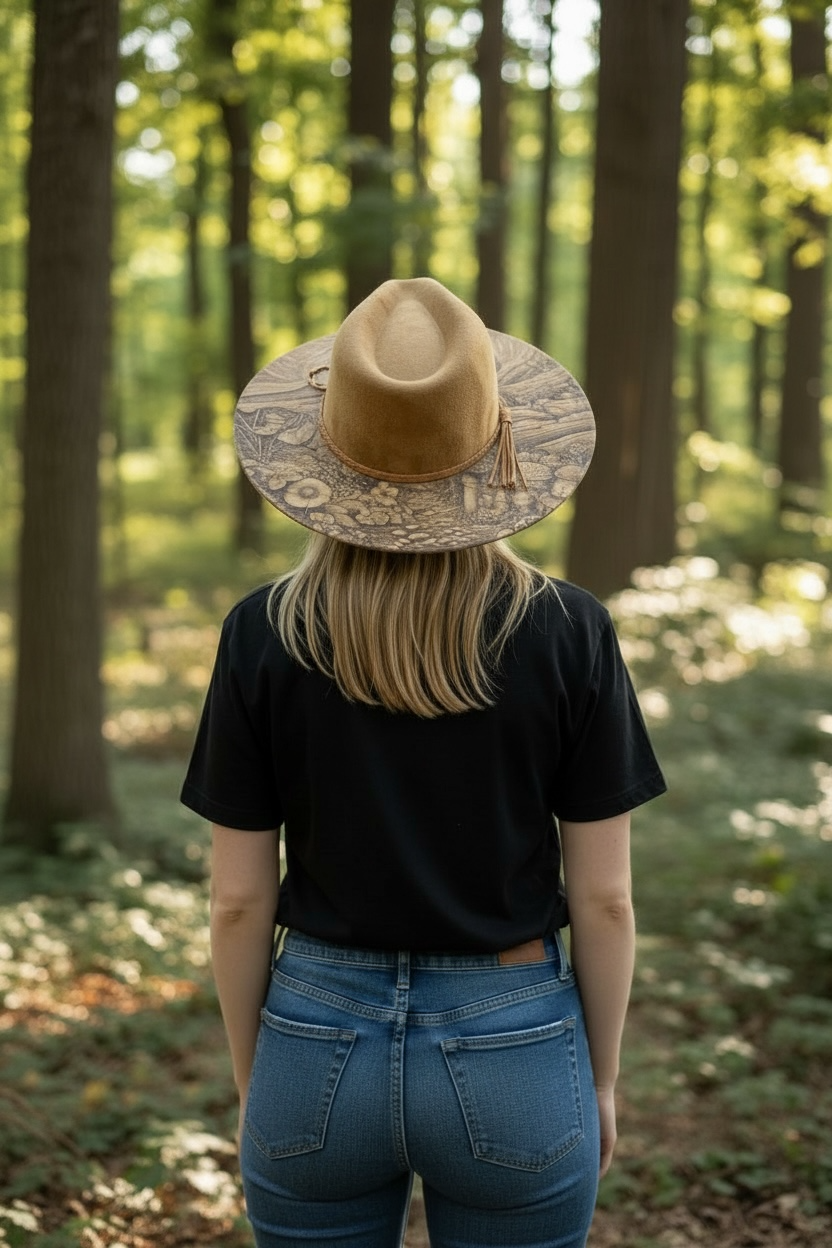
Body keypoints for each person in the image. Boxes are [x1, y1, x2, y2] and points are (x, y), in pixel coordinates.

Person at [181, 277, 666, 1248]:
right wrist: (598, 1078)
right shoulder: (569, 633)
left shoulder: (262, 634)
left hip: (313, 1036)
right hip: (514, 1042)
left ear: (329, 452)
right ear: (495, 450)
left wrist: (259, 1086)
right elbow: (604, 900)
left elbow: (238, 903)